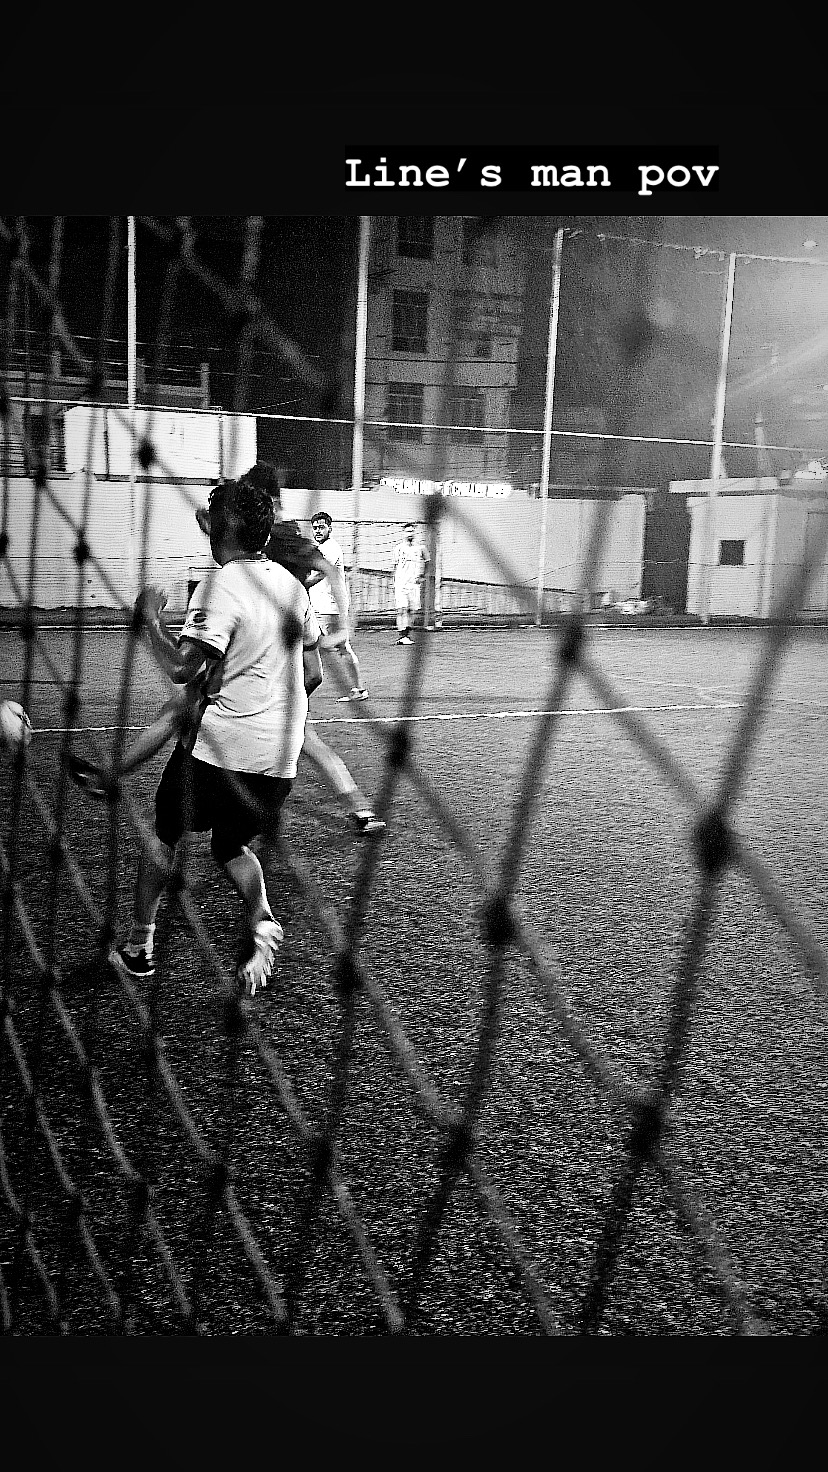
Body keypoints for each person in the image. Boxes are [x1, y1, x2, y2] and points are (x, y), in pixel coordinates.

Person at [68, 463, 386, 837]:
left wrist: (342, 617)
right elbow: (323, 581)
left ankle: (113, 777)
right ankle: (360, 809)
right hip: (275, 652)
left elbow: (326, 568)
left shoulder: (277, 538)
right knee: (209, 713)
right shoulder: (273, 539)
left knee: (195, 710)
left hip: (261, 657)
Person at [109, 475, 323, 997]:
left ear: (213, 526)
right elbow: (313, 672)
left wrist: (149, 621)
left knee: (164, 834)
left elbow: (182, 667)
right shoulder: (292, 586)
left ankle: (139, 948)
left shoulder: (222, 584)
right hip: (280, 761)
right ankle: (263, 918)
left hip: (219, 753)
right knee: (231, 846)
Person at [305, 510, 369, 702]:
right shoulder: (321, 548)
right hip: (320, 606)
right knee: (317, 646)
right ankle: (357, 688)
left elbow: (320, 574)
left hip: (330, 608)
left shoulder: (331, 548)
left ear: (329, 529)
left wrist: (299, 585)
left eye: (321, 527)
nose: (317, 531)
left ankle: (358, 689)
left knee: (340, 648)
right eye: (315, 527)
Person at [394, 521, 429, 645]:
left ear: (415, 533)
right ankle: (402, 635)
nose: (410, 533)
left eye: (412, 531)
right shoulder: (398, 548)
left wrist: (422, 576)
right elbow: (395, 566)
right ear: (404, 533)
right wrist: (396, 581)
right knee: (401, 609)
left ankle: (407, 634)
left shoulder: (420, 548)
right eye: (408, 531)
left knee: (412, 610)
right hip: (401, 583)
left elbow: (427, 561)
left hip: (413, 584)